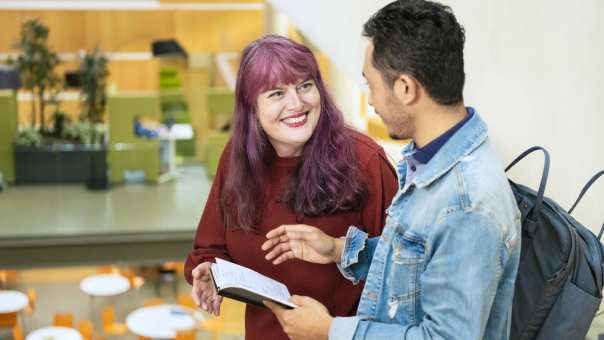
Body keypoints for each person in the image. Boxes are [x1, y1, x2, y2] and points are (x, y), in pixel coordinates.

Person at [262, 1, 522, 339]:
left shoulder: (467, 205)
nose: (370, 100)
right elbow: (417, 268)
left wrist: (330, 332)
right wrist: (340, 250)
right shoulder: (431, 162)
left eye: (371, 85)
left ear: (405, 88)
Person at [184, 35, 398, 340]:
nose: (296, 103)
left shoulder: (365, 161)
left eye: (305, 86)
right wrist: (210, 272)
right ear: (251, 108)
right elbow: (210, 247)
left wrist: (339, 250)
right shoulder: (237, 157)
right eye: (276, 93)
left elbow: (403, 272)